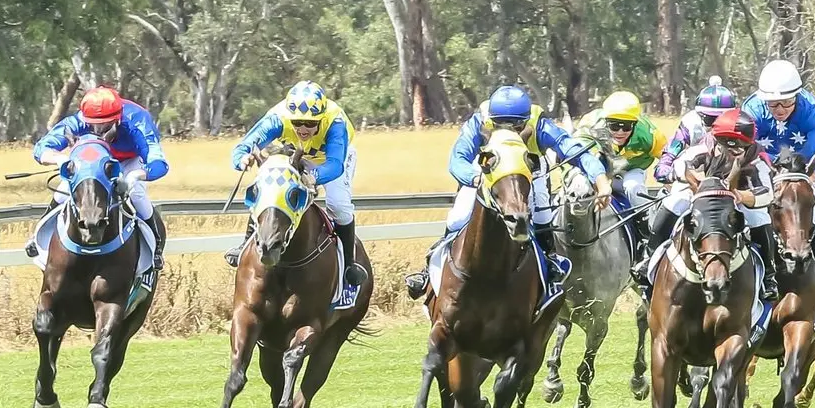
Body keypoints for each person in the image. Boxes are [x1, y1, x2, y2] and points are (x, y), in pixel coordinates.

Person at [403, 85, 612, 302]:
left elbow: (572, 148)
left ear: (526, 120)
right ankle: (429, 271)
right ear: (492, 118)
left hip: (529, 174)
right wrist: (476, 178)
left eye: (516, 125)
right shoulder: (479, 121)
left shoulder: (539, 123)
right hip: (489, 176)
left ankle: (550, 264)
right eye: (501, 124)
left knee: (541, 216)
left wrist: (601, 180)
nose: (509, 130)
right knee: (458, 215)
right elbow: (458, 159)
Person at [225, 81, 368, 300]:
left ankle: (350, 264)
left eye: (310, 124)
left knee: (338, 204)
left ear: (320, 119)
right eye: (297, 123)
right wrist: (241, 159)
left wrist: (314, 178)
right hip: (293, 154)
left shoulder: (335, 123)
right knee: (270, 189)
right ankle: (245, 245)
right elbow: (245, 145)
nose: (302, 128)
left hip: (330, 160)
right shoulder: (277, 118)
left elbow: (335, 164)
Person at [636, 109, 780, 302]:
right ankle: (648, 258)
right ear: (716, 139)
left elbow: (767, 192)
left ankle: (769, 277)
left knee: (759, 217)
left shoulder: (757, 155)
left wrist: (741, 195)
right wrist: (693, 178)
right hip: (702, 194)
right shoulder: (702, 147)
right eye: (728, 147)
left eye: (740, 147)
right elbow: (680, 165)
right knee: (674, 202)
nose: (734, 152)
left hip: (737, 197)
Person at [29, 86, 169, 272]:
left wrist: (136, 175)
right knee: (64, 190)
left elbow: (159, 163)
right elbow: (41, 148)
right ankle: (36, 237)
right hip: (94, 161)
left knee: (136, 194)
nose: (98, 130)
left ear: (118, 118)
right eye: (92, 125)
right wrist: (60, 158)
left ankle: (156, 245)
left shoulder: (137, 121)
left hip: (128, 160)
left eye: (105, 125)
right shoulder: (78, 121)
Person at [741, 59, 815, 296]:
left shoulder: (807, 108)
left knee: (808, 205)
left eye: (786, 102)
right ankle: (764, 271)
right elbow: (746, 147)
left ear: (796, 96)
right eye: (773, 103)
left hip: (798, 162)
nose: (780, 109)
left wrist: (814, 175)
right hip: (764, 160)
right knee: (760, 203)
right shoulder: (753, 109)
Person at [577, 90, 668, 254]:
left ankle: (646, 239)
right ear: (605, 121)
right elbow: (576, 153)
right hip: (600, 167)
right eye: (614, 125)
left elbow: (668, 158)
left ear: (635, 123)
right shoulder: (590, 125)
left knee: (633, 188)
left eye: (626, 127)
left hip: (631, 169)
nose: (619, 132)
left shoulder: (649, 134)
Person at [654, 76, 738, 184]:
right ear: (700, 115)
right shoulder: (690, 122)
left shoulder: (741, 125)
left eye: (723, 118)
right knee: (677, 201)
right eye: (710, 119)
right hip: (693, 178)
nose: (717, 125)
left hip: (730, 180)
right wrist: (664, 168)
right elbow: (671, 151)